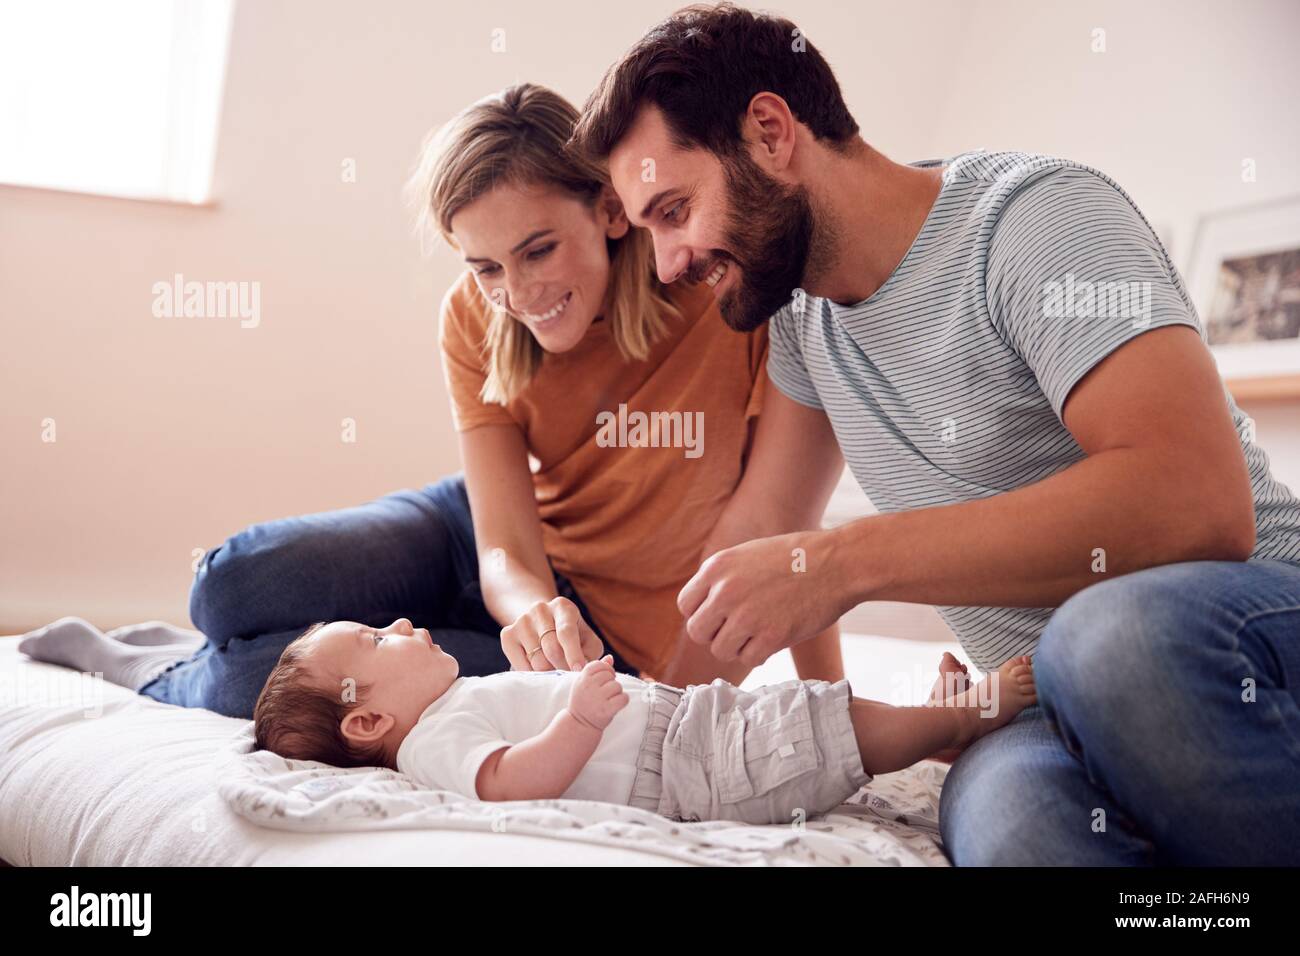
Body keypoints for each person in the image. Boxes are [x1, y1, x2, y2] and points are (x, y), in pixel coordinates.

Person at [567, 3, 1300, 864]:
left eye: (674, 210)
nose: (668, 264)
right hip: (1039, 704)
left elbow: (1198, 503)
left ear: (770, 132)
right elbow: (765, 534)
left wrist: (846, 565)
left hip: (1239, 631)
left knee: (1106, 644)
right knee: (1009, 821)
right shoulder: (803, 322)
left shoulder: (1034, 220)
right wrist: (630, 730)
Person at [18, 82, 843, 719]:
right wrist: (532, 605)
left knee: (251, 677)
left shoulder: (722, 300)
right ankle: (217, 634)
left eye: (538, 250)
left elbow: (783, 523)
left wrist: (825, 705)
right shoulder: (474, 317)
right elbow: (504, 552)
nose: (515, 293)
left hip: (605, 647)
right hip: (484, 538)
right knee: (231, 586)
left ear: (607, 209)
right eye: (484, 266)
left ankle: (151, 666)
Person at [249, 616, 1036, 824]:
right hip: (685, 769)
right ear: (366, 722)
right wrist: (579, 724)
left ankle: (939, 729)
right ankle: (955, 721)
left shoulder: (455, 704)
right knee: (826, 732)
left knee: (813, 720)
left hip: (689, 724)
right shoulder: (432, 742)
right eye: (375, 640)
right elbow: (507, 785)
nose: (399, 626)